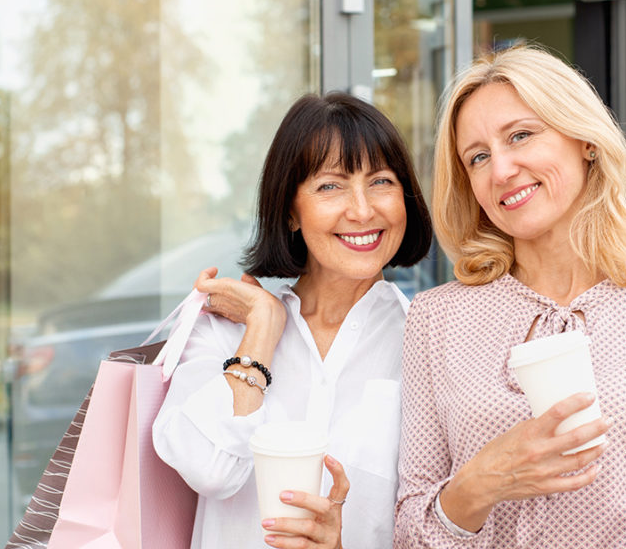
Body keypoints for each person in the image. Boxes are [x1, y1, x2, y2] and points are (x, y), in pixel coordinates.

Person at [394, 44, 626, 548]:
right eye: (478, 157)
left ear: (585, 141)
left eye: (521, 135)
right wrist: (479, 483)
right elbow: (408, 530)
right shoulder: (436, 318)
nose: (501, 170)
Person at [153, 92, 433, 549]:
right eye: (330, 186)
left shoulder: (427, 340)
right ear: (289, 211)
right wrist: (263, 327)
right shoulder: (224, 332)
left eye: (381, 181)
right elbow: (210, 470)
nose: (362, 210)